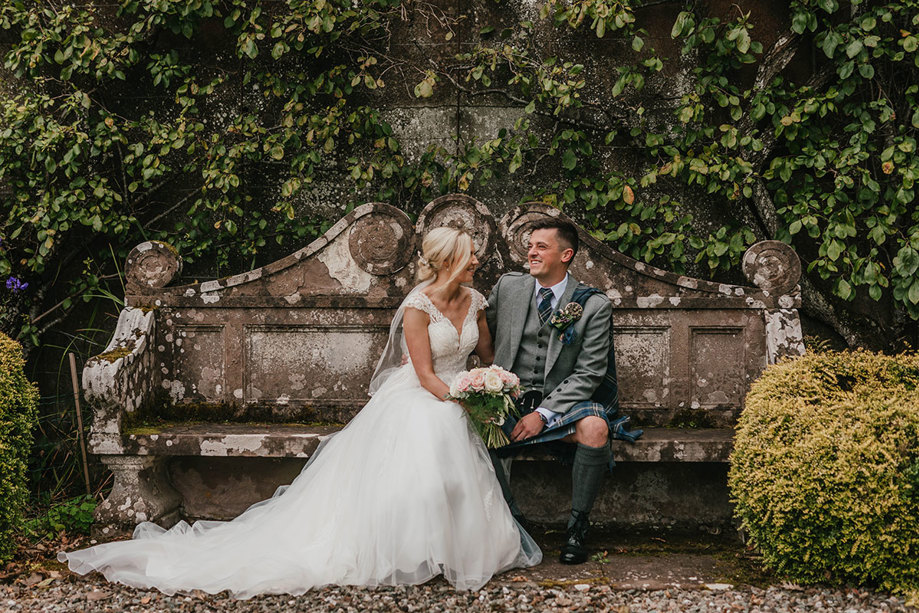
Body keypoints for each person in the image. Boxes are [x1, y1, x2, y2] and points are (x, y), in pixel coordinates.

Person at [58, 227, 541, 599]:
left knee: (454, 446)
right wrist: (464, 401)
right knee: (438, 433)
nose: (479, 258)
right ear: (452, 259)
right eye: (472, 252)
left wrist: (491, 388)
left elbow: (486, 357)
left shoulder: (476, 300)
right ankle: (413, 551)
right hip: (423, 394)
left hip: (458, 392)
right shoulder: (417, 308)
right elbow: (427, 375)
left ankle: (455, 548)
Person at [485, 217, 617, 565]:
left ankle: (577, 527)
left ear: (566, 255)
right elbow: (480, 334)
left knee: (596, 428)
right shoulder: (508, 289)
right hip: (511, 400)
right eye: (530, 245)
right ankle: (512, 518)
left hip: (561, 403)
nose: (531, 252)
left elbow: (590, 373)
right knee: (467, 424)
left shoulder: (592, 305)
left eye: (541, 246)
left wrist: (543, 414)